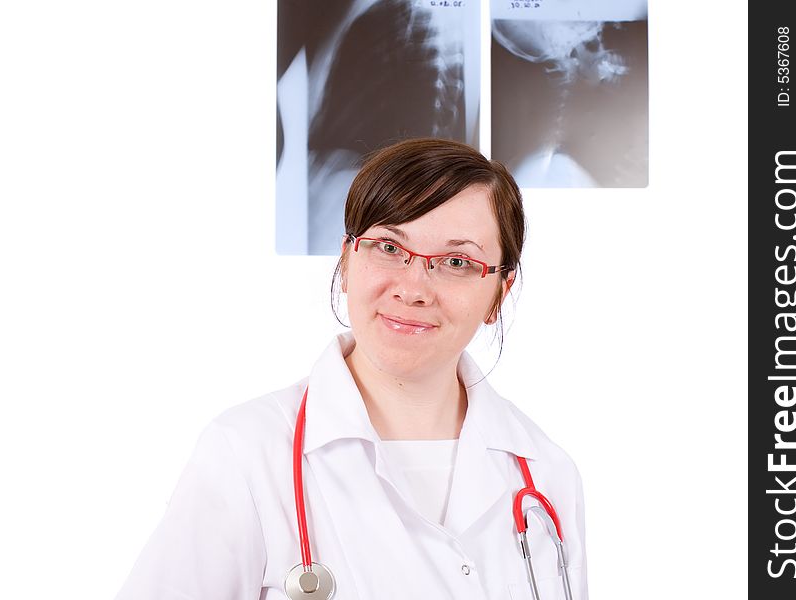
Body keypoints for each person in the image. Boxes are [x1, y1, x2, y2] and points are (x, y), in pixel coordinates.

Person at [116, 138, 588, 599]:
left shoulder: (547, 476)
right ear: (346, 260)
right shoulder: (248, 453)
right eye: (388, 247)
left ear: (499, 295)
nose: (413, 288)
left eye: (457, 261)